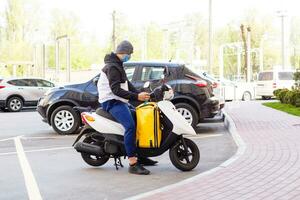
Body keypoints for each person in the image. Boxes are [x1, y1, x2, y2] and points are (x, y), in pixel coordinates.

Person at [97, 40, 157, 175]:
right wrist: (136, 97)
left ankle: (140, 155)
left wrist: (140, 94)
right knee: (130, 126)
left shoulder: (118, 64)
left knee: (138, 119)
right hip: (111, 101)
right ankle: (133, 163)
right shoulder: (112, 67)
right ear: (124, 52)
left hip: (119, 100)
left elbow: (127, 84)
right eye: (129, 54)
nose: (130, 56)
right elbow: (116, 90)